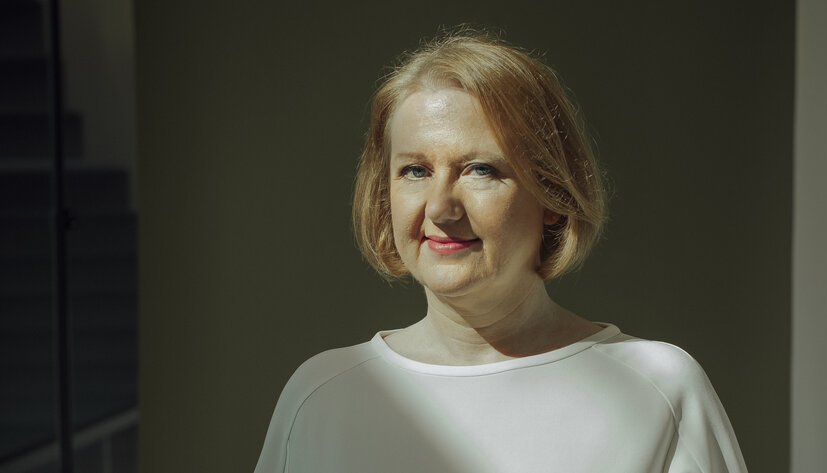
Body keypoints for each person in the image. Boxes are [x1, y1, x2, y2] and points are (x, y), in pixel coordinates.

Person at [254, 29, 747, 473]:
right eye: (415, 171)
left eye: (480, 170)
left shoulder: (661, 388)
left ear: (552, 194)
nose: (441, 208)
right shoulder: (320, 398)